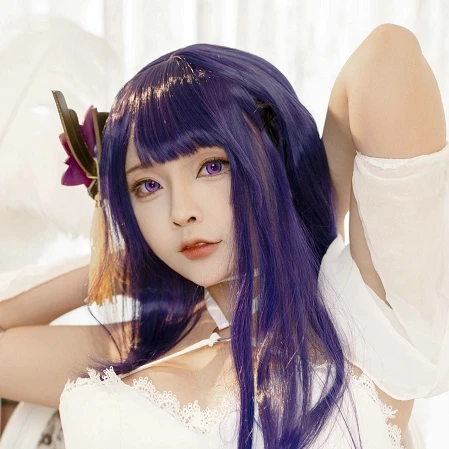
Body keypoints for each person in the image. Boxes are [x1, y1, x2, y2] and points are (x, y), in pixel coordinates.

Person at [0, 23, 448, 449]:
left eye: (212, 166)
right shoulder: (140, 346)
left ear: (273, 159)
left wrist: (300, 209)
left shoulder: (359, 317)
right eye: (147, 186)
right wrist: (122, 266)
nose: (181, 212)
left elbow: (388, 58)